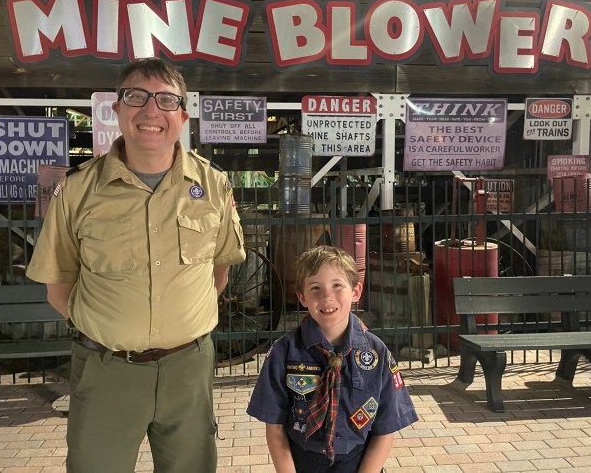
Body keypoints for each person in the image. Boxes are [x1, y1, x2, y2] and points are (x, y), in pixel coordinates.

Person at [26, 58, 246, 473]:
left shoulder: (213, 185)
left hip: (188, 369)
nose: (151, 111)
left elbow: (219, 271)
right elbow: (59, 286)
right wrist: (111, 328)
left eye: (166, 100)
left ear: (182, 115)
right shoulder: (77, 189)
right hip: (107, 370)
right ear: (118, 109)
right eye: (136, 96)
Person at [247, 246, 418, 472]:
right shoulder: (284, 353)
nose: (327, 297)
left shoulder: (376, 353)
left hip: (359, 463)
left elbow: (385, 429)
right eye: (315, 288)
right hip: (301, 463)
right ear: (302, 297)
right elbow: (275, 428)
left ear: (356, 291)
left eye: (337, 285)